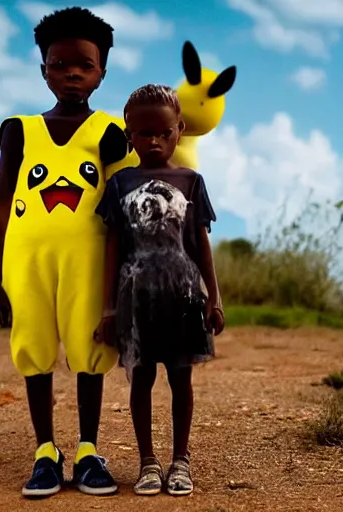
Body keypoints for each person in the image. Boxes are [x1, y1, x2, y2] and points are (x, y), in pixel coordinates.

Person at [0, 6, 138, 499]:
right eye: (59, 63)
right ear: (43, 68)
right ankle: (45, 453)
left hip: (90, 261)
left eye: (85, 65)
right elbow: (1, 205)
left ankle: (89, 451)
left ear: (102, 72)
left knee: (90, 345)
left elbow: (124, 206)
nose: (72, 73)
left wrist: (125, 281)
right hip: (24, 261)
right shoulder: (18, 129)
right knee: (34, 347)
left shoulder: (111, 133)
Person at [94, 84, 225, 497]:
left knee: (181, 378)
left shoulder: (190, 181)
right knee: (142, 378)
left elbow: (200, 241)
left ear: (179, 130)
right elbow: (112, 246)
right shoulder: (119, 184)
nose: (153, 141)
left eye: (163, 133)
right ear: (129, 134)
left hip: (184, 293)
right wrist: (109, 309)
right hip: (137, 295)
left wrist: (214, 297)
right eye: (143, 133)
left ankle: (180, 461)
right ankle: (147, 462)